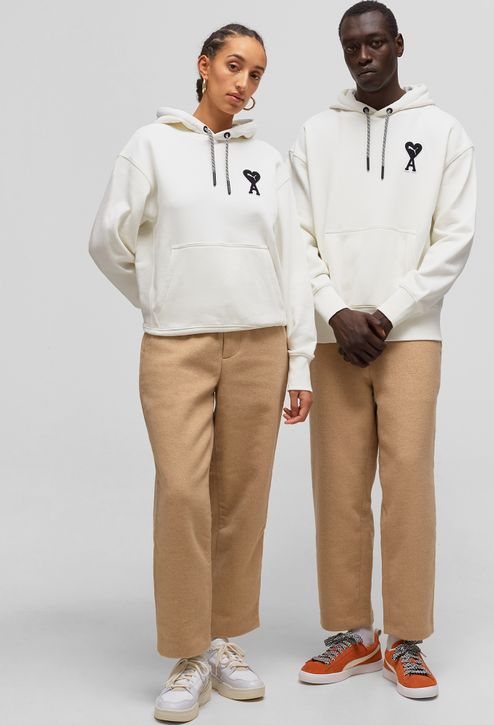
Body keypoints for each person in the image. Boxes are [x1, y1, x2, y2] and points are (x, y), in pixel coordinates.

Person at [88, 23, 316, 723]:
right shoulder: (151, 145)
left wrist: (300, 361)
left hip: (261, 341)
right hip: (176, 346)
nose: (243, 83)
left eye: (256, 74)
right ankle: (187, 653)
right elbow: (105, 239)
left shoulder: (269, 160)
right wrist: (157, 296)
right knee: (184, 492)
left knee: (241, 497)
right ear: (204, 65)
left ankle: (223, 641)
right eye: (234, 66)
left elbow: (293, 263)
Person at [289, 1, 476, 699]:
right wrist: (335, 310)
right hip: (333, 335)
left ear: (399, 44)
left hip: (411, 335)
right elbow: (293, 236)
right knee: (337, 487)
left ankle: (407, 639)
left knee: (407, 488)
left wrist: (389, 313)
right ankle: (352, 634)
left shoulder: (444, 132)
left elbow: (453, 239)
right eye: (350, 46)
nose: (363, 56)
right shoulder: (313, 135)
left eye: (374, 43)